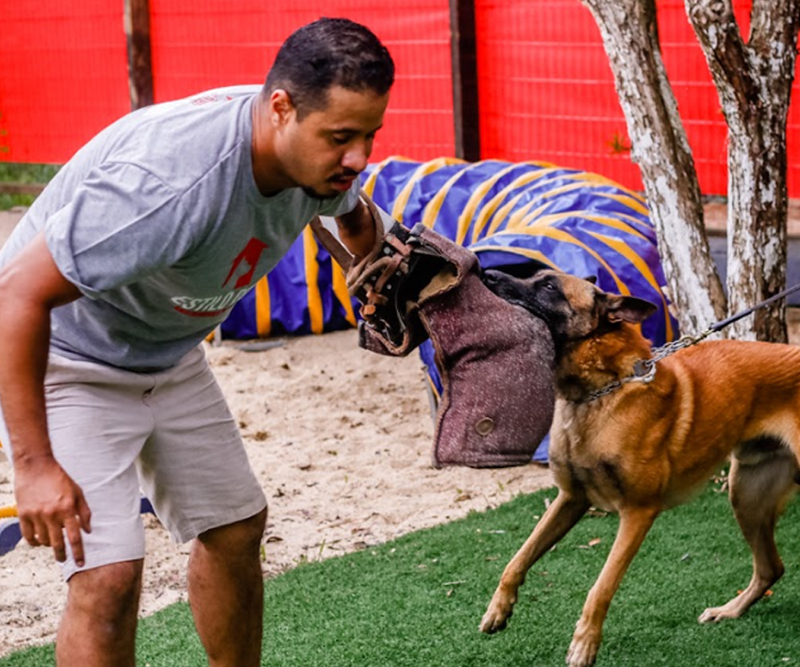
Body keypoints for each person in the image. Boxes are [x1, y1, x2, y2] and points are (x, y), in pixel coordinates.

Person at [0, 17, 394, 667]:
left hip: (169, 353)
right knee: (108, 576)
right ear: (280, 109)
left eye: (370, 136)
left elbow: (348, 206)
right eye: (342, 138)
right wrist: (35, 466)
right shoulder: (170, 184)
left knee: (236, 529)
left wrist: (371, 253)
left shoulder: (318, 158)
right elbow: (15, 292)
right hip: (71, 359)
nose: (357, 157)